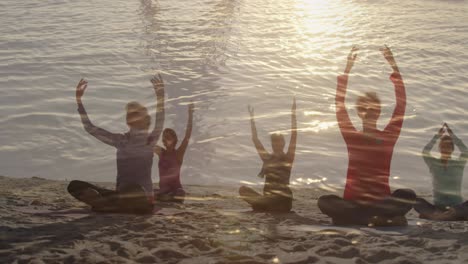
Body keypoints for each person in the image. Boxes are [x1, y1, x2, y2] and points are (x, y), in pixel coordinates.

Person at [318, 46, 416, 226]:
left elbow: (401, 106)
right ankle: (377, 219)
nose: (369, 111)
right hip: (354, 202)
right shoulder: (351, 136)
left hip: (380, 202)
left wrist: (394, 66)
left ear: (379, 112)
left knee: (407, 194)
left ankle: (363, 218)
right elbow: (339, 104)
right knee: (324, 200)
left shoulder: (388, 136)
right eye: (364, 107)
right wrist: (346, 71)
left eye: (373, 107)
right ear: (358, 112)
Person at [67, 75, 165, 214]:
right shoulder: (120, 140)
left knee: (133, 189)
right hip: (121, 195)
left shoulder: (150, 140)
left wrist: (160, 96)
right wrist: (79, 101)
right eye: (130, 114)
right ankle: (109, 204)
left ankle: (107, 205)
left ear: (145, 120)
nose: (132, 116)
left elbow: (160, 118)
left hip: (142, 198)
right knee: (75, 185)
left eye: (136, 114)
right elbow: (90, 128)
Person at [239, 98, 297, 213]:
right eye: (274, 142)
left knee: (263, 201)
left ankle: (262, 206)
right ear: (271, 144)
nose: (276, 145)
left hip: (283, 200)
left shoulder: (288, 158)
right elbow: (255, 140)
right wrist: (252, 119)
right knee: (243, 189)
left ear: (283, 143)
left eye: (279, 142)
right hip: (269, 200)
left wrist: (293, 114)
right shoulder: (267, 158)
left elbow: (294, 135)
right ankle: (263, 205)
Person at [414, 123, 468, 221]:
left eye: (448, 146)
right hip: (438, 207)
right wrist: (436, 137)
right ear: (439, 148)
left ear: (452, 149)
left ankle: (443, 215)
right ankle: (449, 215)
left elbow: (465, 151)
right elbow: (425, 151)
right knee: (415, 200)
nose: (445, 148)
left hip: (456, 207)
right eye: (443, 146)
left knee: (461, 208)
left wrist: (453, 136)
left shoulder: (459, 163)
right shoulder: (433, 163)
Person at [153, 102, 194, 203]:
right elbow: (148, 143)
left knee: (180, 193)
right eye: (164, 137)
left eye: (167, 137)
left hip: (175, 191)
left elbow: (187, 136)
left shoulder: (178, 153)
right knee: (148, 190)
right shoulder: (161, 152)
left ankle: (166, 197)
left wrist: (190, 114)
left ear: (174, 139)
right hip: (163, 191)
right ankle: (163, 196)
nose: (164, 139)